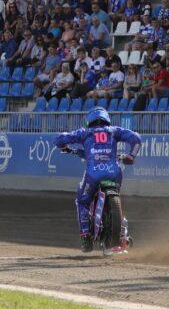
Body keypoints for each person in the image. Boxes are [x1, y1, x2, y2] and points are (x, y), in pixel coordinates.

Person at [54, 107, 142, 253]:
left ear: (90, 120)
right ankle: (123, 233)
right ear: (106, 119)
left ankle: (85, 237)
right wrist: (131, 156)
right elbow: (136, 138)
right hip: (115, 173)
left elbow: (59, 139)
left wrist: (63, 146)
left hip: (93, 174)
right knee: (117, 196)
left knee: (82, 201)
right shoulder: (115, 131)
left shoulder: (85, 132)